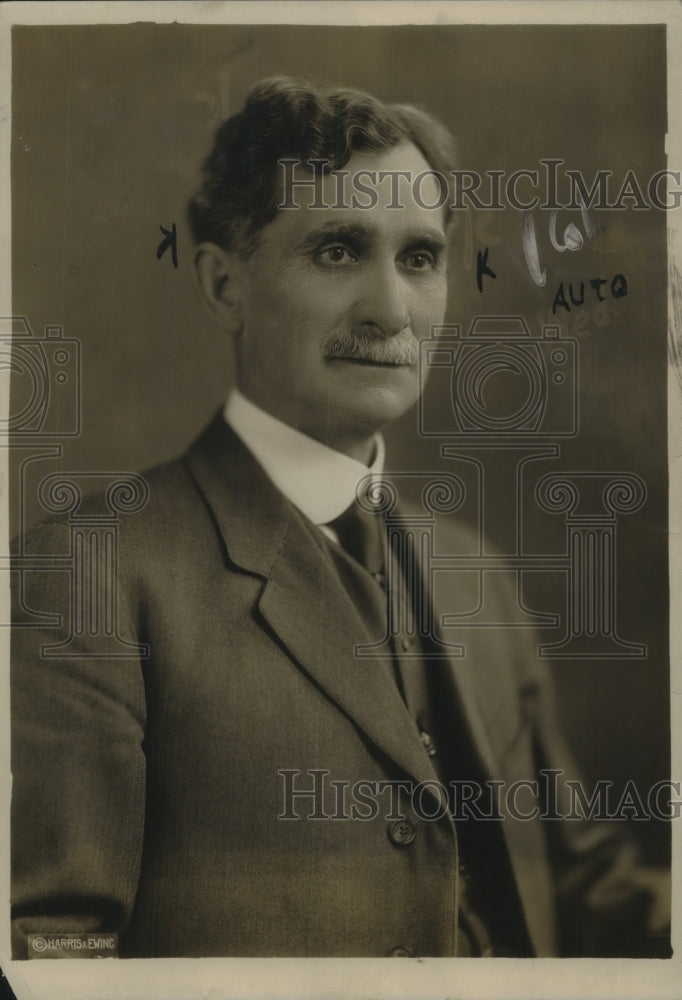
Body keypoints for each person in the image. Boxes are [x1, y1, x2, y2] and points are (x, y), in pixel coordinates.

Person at [10, 77, 669, 959]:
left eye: (420, 258)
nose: (391, 311)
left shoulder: (475, 572)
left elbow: (580, 882)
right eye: (337, 251)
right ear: (222, 283)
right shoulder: (84, 574)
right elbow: (53, 955)